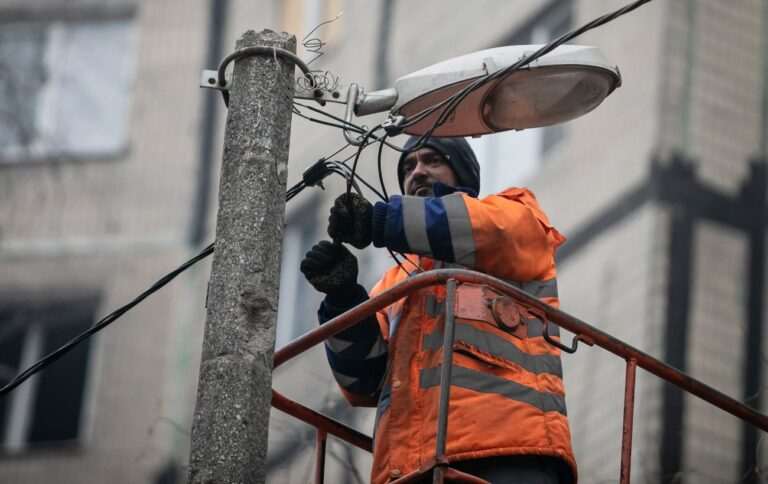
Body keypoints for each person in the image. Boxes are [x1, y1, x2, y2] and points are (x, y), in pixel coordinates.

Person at [300, 136, 576, 483]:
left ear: (462, 175)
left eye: (432, 160)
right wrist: (343, 297)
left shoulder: (516, 216)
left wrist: (382, 221)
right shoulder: (396, 283)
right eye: (408, 167)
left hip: (511, 452)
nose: (417, 172)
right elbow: (364, 382)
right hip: (412, 467)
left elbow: (479, 227)